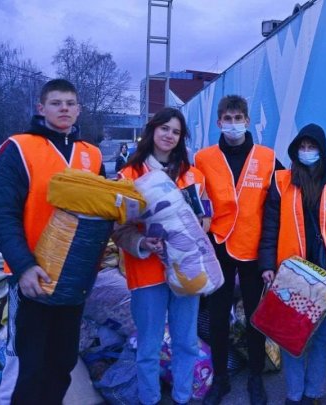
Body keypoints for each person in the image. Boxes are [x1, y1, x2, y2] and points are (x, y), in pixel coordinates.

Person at [0, 79, 105, 404]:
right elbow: (3, 214)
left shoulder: (91, 154)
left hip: (74, 278)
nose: (64, 108)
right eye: (56, 103)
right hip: (33, 275)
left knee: (61, 362)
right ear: (41, 108)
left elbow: (101, 212)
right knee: (30, 365)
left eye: (70, 103)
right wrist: (24, 267)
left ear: (79, 109)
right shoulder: (19, 147)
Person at [112, 107, 206, 405]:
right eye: (164, 128)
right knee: (149, 347)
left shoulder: (193, 176)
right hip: (147, 273)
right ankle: (150, 399)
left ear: (181, 138)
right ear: (152, 130)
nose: (169, 135)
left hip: (186, 270)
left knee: (186, 343)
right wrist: (142, 242)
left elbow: (208, 215)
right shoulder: (129, 175)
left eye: (176, 131)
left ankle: (182, 398)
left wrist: (201, 223)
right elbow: (119, 228)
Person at [194, 94, 283, 405]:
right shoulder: (204, 158)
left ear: (247, 121)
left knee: (256, 317)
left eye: (238, 118)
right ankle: (220, 379)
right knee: (217, 317)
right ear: (219, 122)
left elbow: (287, 194)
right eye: (227, 119)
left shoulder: (268, 157)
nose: (233, 124)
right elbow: (193, 200)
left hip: (255, 250)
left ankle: (256, 376)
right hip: (217, 246)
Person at [258, 124, 326, 405]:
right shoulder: (281, 181)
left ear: (322, 151)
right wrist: (267, 264)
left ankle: (315, 392)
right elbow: (270, 227)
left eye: (313, 147)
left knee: (322, 338)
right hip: (291, 272)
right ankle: (293, 394)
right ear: (295, 150)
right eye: (303, 146)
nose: (307, 152)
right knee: (291, 337)